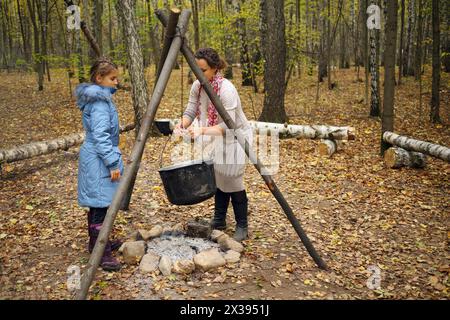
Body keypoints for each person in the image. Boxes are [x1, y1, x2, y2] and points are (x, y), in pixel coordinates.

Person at [175, 48, 253, 242]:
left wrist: (200, 131)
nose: (199, 74)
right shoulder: (197, 86)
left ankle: (242, 223)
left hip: (235, 137)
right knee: (218, 177)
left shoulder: (227, 90)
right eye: (197, 70)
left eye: (204, 70)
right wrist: (183, 123)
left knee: (233, 180)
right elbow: (191, 109)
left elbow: (228, 125)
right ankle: (219, 219)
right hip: (212, 136)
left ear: (215, 68)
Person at [75, 58, 123, 271]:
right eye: (113, 78)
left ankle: (96, 243)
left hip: (95, 156)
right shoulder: (100, 102)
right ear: (99, 78)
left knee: (98, 203)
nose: (116, 82)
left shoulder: (99, 99)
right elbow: (101, 136)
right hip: (99, 159)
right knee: (101, 205)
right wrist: (112, 163)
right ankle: (102, 253)